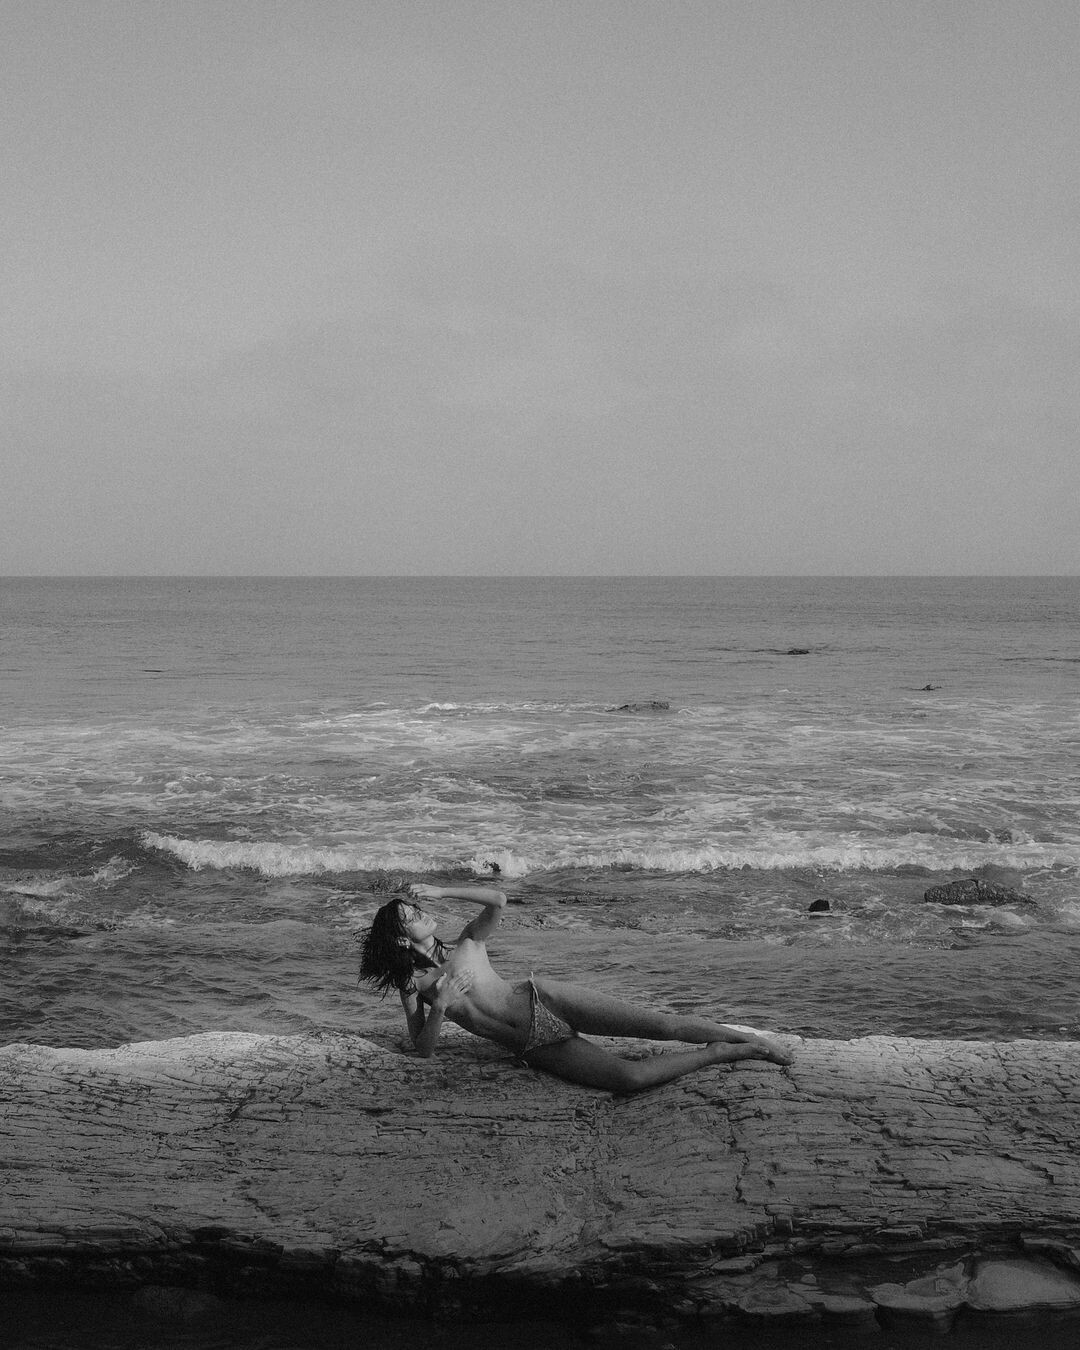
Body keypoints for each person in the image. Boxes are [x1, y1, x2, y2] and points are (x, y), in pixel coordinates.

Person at [358, 883, 793, 1093]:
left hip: (542, 998)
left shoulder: (468, 941)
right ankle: (720, 1052)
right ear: (402, 939)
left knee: (662, 1025)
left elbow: (499, 901)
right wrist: (441, 1006)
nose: (421, 911)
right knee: (628, 1079)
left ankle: (752, 1041)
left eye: (417, 906)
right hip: (532, 1046)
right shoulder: (415, 985)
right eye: (412, 915)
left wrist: (441, 889)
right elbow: (422, 1049)